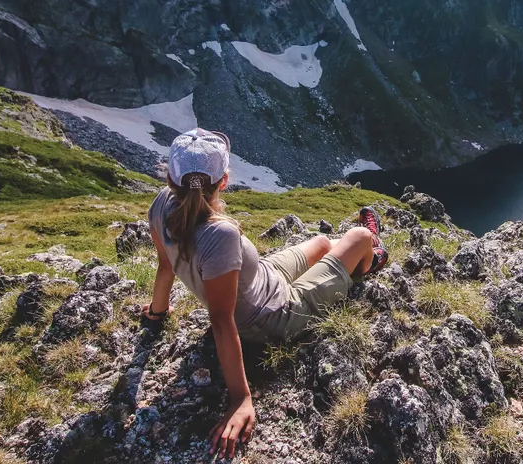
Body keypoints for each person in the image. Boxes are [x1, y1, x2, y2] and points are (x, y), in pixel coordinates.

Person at [142, 129, 389, 459]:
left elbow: (165, 264)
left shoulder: (161, 205)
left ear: (171, 177)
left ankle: (354, 254)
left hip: (261, 277)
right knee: (358, 236)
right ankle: (372, 254)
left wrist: (157, 312)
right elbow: (221, 320)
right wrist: (241, 398)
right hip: (272, 314)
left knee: (321, 243)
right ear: (224, 180)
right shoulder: (221, 234)